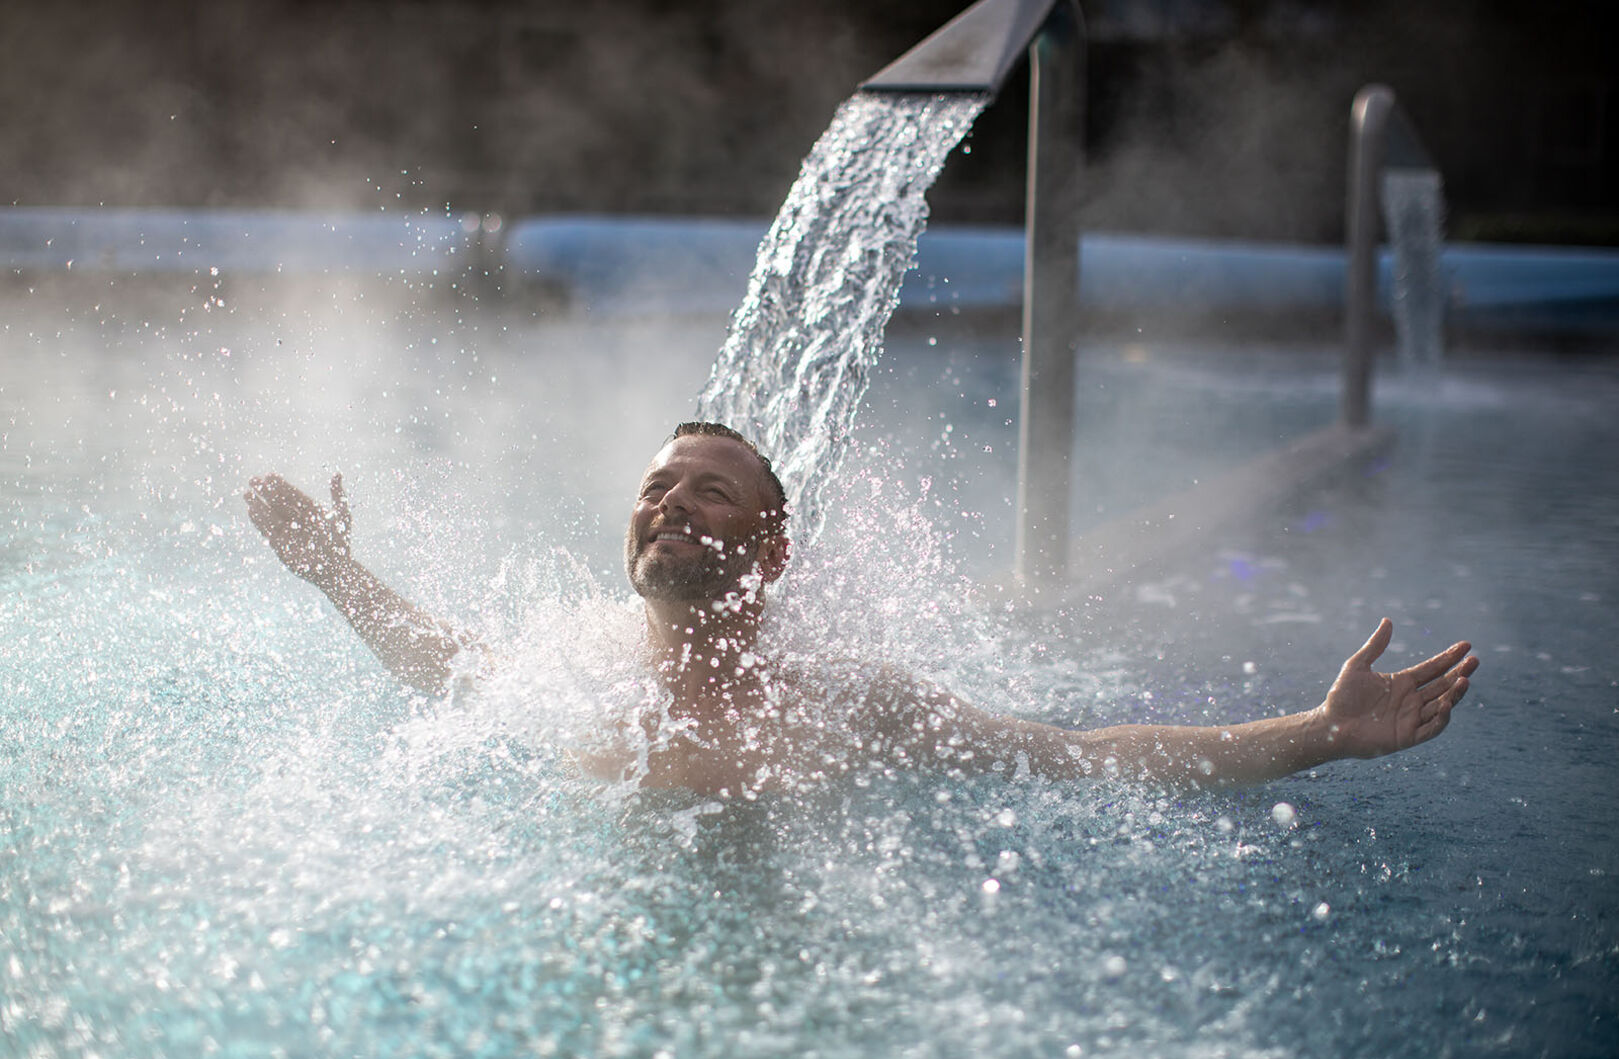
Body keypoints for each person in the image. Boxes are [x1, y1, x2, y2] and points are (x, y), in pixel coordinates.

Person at [244, 421, 1477, 797]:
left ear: (770, 551)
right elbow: (451, 670)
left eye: (709, 495)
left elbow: (1085, 760)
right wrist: (336, 576)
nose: (669, 506)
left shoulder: (839, 703)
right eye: (657, 489)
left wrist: (1315, 732)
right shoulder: (580, 656)